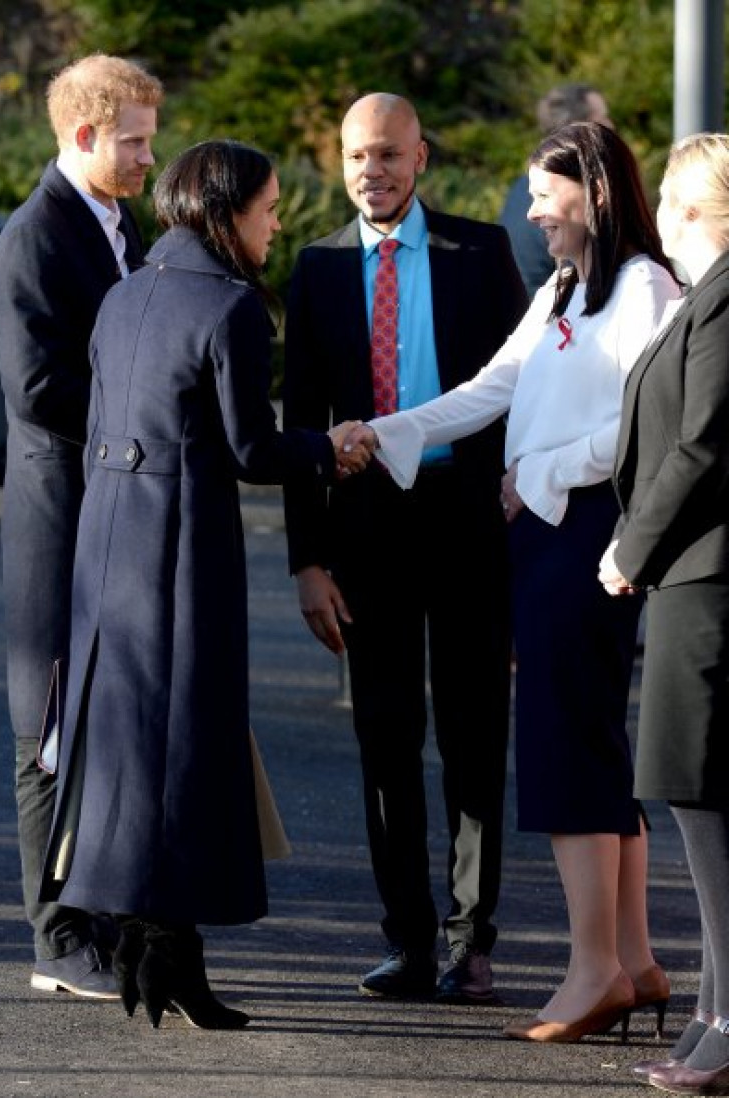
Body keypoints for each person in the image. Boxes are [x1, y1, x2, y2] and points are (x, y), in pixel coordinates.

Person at [347, 121, 682, 1041]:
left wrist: (536, 474)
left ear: (597, 194)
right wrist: (388, 430)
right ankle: (637, 963)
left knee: (568, 747)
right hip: (547, 536)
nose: (531, 210)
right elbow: (493, 385)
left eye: (546, 193)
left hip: (584, 535)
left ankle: (594, 972)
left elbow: (643, 429)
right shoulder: (568, 286)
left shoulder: (646, 287)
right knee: (591, 745)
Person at [37, 140, 371, 1030]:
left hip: (107, 541)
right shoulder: (229, 309)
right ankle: (161, 946)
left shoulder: (124, 294)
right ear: (226, 213)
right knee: (187, 747)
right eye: (265, 211)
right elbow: (252, 449)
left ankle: (165, 949)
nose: (274, 226)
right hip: (180, 547)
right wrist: (328, 449)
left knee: (129, 747)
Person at [283, 92, 528, 1004]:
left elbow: (521, 389)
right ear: (339, 163)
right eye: (355, 157)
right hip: (366, 536)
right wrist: (307, 561)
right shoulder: (315, 270)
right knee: (384, 738)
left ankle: (473, 939)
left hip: (470, 523)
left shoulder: (481, 253)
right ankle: (408, 940)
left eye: (388, 155)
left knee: (473, 736)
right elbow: (299, 423)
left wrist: (521, 509)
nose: (371, 172)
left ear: (420, 157)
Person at [0, 53, 163, 999]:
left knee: (99, 722)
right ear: (84, 135)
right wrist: (152, 407)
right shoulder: (35, 237)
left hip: (111, 509)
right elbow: (39, 390)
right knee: (49, 728)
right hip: (61, 519)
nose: (147, 156)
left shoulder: (112, 222)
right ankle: (55, 940)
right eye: (133, 140)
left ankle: (91, 917)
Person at [599, 133, 729, 1094]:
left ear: (699, 210)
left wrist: (628, 547)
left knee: (704, 795)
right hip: (693, 574)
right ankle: (711, 1014)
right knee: (698, 795)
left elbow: (702, 446)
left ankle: (727, 1023)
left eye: (676, 205)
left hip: (708, 577)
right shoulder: (709, 298)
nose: (665, 224)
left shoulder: (725, 297)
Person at [499, 83, 612, 297]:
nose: (610, 125)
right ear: (579, 129)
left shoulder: (521, 188)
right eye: (601, 119)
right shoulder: (571, 201)